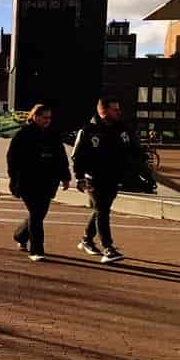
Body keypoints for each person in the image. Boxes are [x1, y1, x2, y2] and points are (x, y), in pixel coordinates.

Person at [72, 97, 136, 264]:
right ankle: (108, 248)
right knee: (102, 210)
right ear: (103, 111)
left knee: (102, 209)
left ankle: (86, 239)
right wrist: (79, 177)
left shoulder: (121, 129)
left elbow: (131, 150)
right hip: (94, 178)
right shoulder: (88, 130)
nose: (119, 112)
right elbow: (77, 156)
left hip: (114, 177)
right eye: (115, 109)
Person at [7, 103, 70, 262]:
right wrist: (14, 179)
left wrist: (65, 177)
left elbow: (61, 158)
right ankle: (37, 249)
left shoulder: (53, 135)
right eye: (44, 117)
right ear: (34, 117)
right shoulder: (23, 135)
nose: (47, 121)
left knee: (39, 214)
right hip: (28, 182)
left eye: (49, 118)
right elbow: (12, 159)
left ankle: (20, 235)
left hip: (48, 181)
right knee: (36, 214)